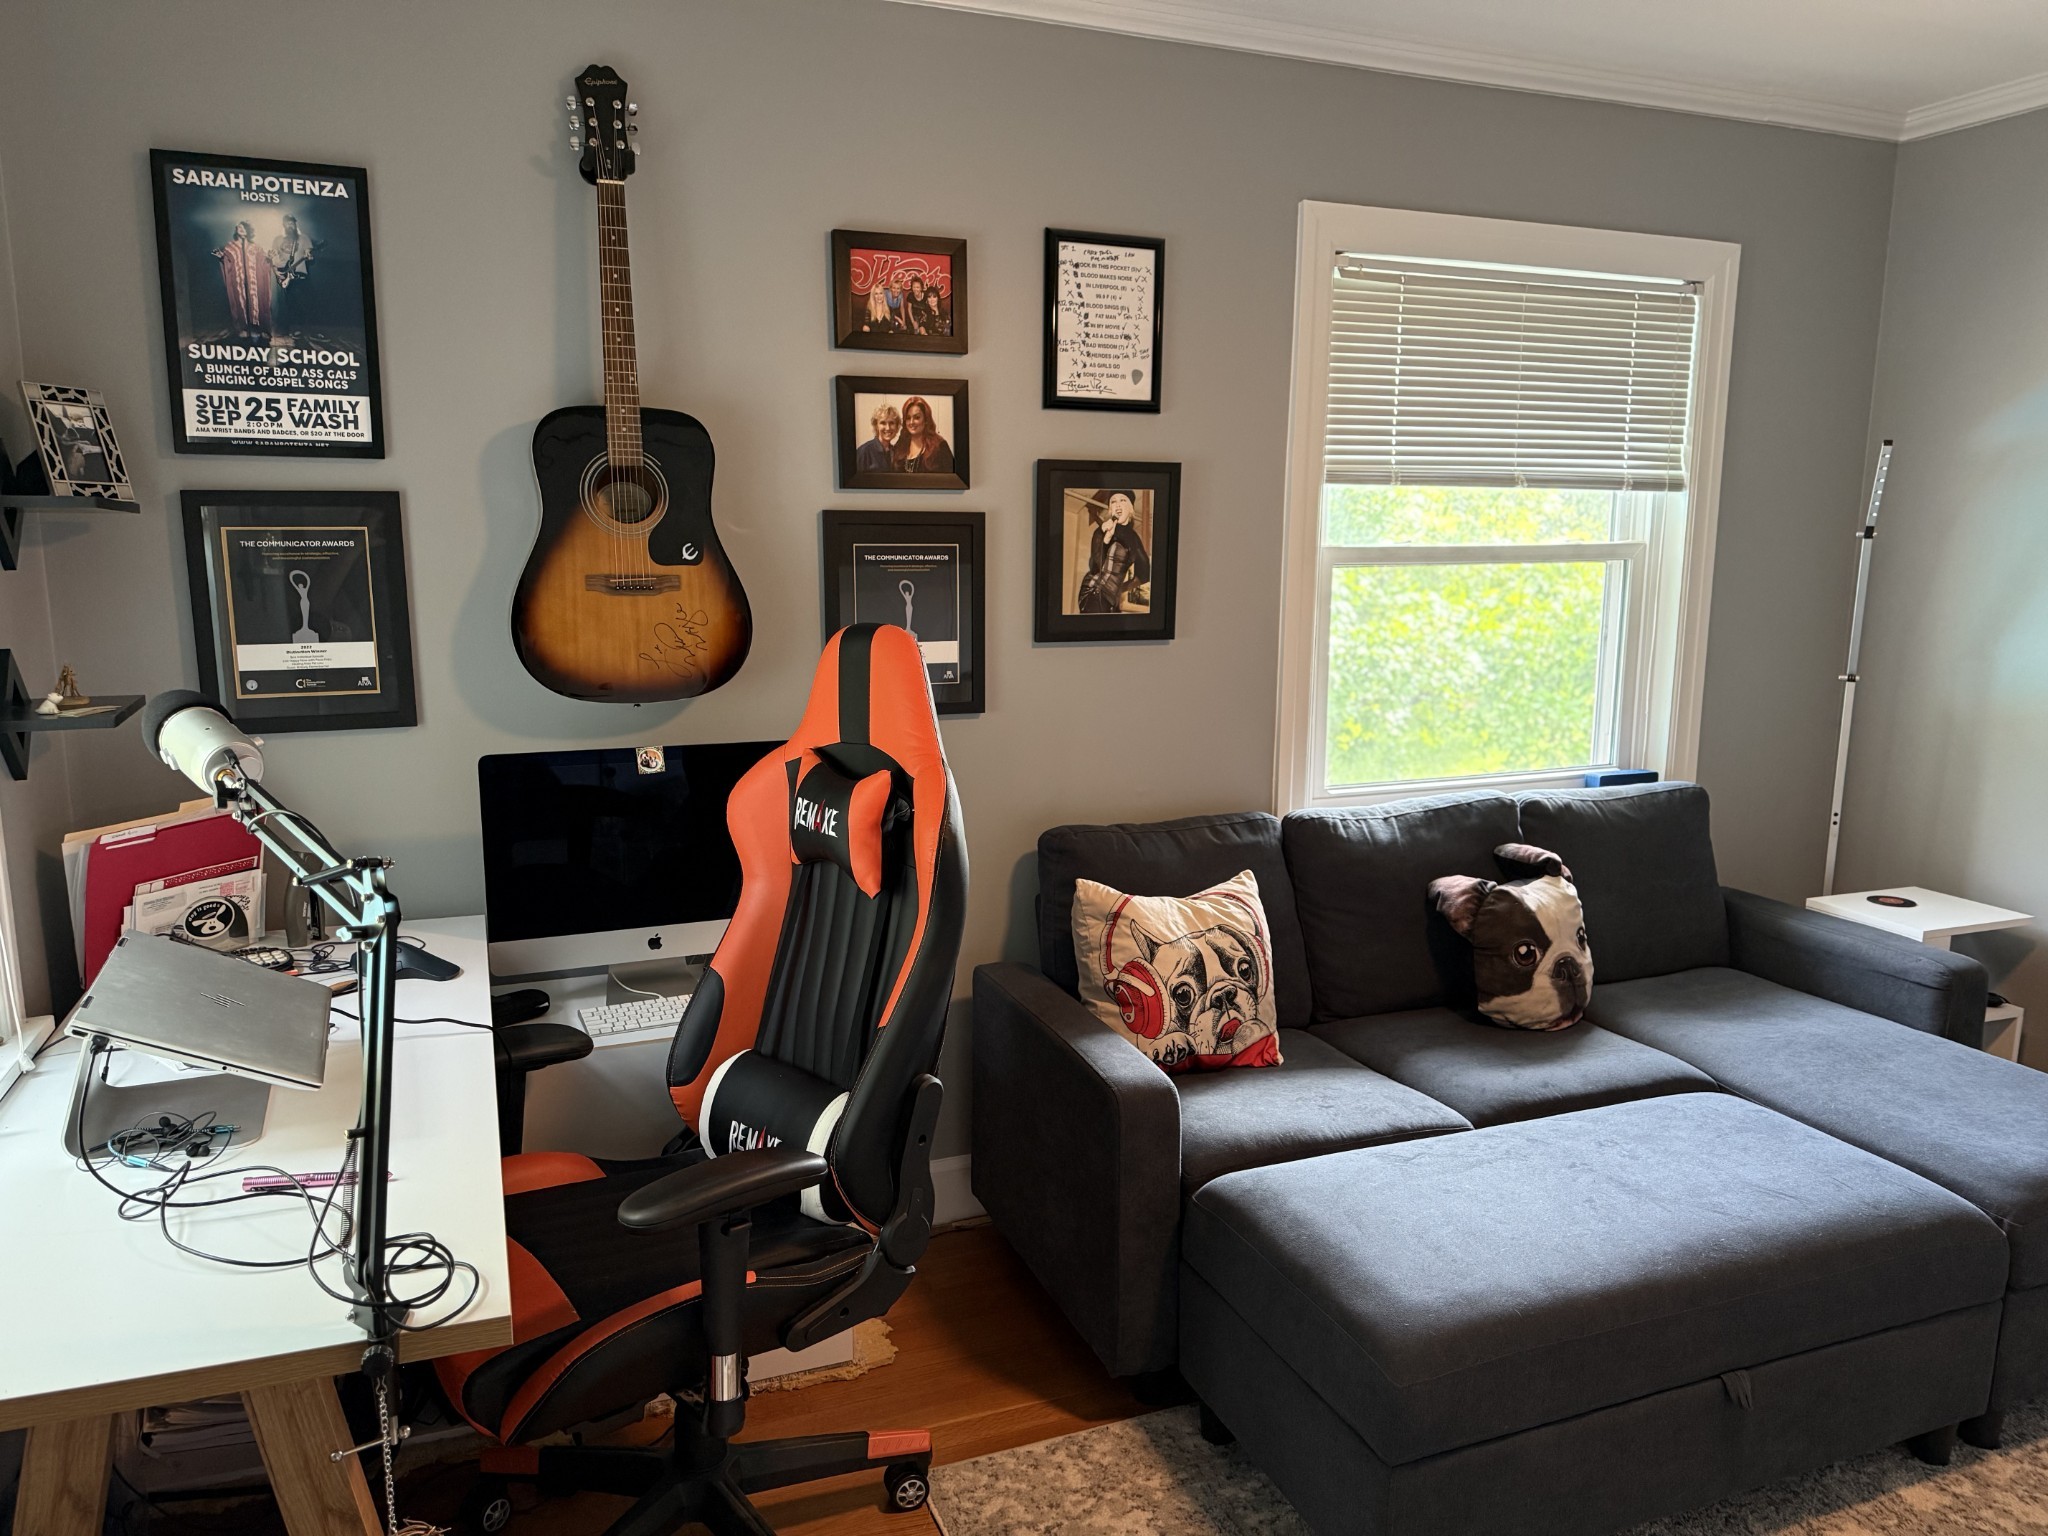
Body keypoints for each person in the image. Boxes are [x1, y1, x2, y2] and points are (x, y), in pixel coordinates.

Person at [1077, 491, 1151, 613]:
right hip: (1093, 592)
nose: (1117, 504)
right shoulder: (1101, 531)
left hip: (1111, 600)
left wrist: (1120, 589)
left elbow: (1145, 574)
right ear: (1110, 509)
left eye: (1122, 500)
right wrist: (1105, 538)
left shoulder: (1134, 538)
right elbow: (1095, 567)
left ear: (1131, 509)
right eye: (1113, 501)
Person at [213, 220, 273, 343]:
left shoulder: (256, 248)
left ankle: (262, 328)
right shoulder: (230, 247)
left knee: (259, 301)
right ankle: (242, 328)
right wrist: (222, 258)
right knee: (239, 301)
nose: (241, 229)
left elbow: (264, 263)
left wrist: (269, 259)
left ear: (248, 231)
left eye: (244, 227)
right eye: (239, 227)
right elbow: (227, 263)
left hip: (254, 282)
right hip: (238, 281)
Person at [268, 214, 315, 343]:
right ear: (283, 225)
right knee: (288, 303)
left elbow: (310, 256)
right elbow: (273, 258)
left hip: (299, 274)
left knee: (302, 302)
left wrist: (309, 256)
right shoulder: (278, 239)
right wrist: (277, 273)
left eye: (292, 223)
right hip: (284, 275)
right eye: (287, 223)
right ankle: (291, 329)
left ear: (295, 224)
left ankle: (302, 329)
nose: (290, 225)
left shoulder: (303, 238)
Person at [893, 396, 953, 476]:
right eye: (908, 418)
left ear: (926, 420)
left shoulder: (939, 446)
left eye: (917, 417)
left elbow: (952, 478)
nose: (911, 422)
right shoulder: (901, 444)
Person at [856, 402, 901, 474]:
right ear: (876, 426)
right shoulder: (864, 451)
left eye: (891, 423)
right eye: (883, 423)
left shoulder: (896, 452)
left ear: (897, 426)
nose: (888, 428)